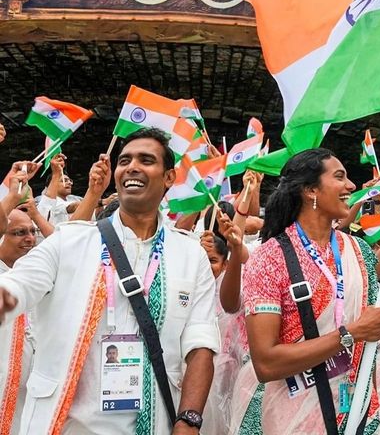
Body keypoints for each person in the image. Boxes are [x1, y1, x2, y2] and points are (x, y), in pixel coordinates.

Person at [0, 127, 220, 435]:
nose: (132, 167)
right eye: (125, 160)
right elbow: (15, 289)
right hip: (66, 425)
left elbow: (201, 344)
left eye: (146, 160)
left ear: (169, 177)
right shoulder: (70, 242)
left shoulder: (189, 254)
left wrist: (189, 421)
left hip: (155, 423)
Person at [236, 148, 380, 434]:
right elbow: (266, 363)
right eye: (340, 177)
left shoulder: (360, 252)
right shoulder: (270, 258)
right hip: (294, 416)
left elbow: (370, 340)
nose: (351, 186)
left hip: (358, 411)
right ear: (311, 191)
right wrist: (351, 334)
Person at [0, 169, 38, 435]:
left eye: (33, 231)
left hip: (31, 398)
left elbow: (64, 242)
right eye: (19, 233)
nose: (30, 239)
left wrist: (94, 193)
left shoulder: (38, 276)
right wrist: (11, 198)